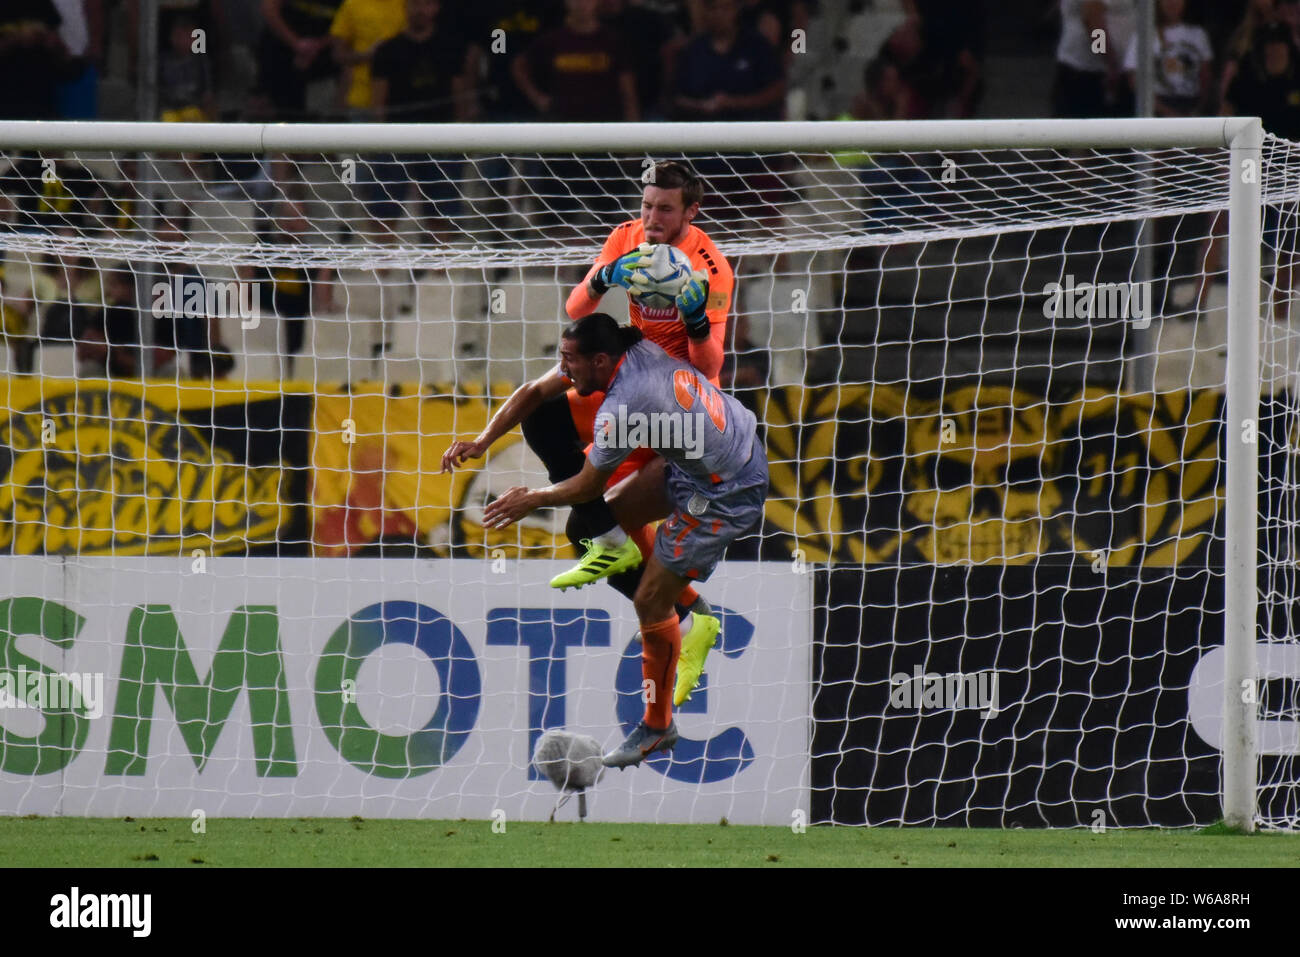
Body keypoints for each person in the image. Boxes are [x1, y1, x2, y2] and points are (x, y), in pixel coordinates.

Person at [457, 314, 769, 767]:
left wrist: (533, 498)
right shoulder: (633, 348)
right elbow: (534, 394)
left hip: (725, 489)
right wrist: (482, 442)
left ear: (600, 361)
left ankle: (658, 727)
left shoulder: (624, 407)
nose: (564, 370)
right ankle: (693, 613)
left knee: (647, 599)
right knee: (589, 527)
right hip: (696, 458)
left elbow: (585, 487)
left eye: (570, 361)